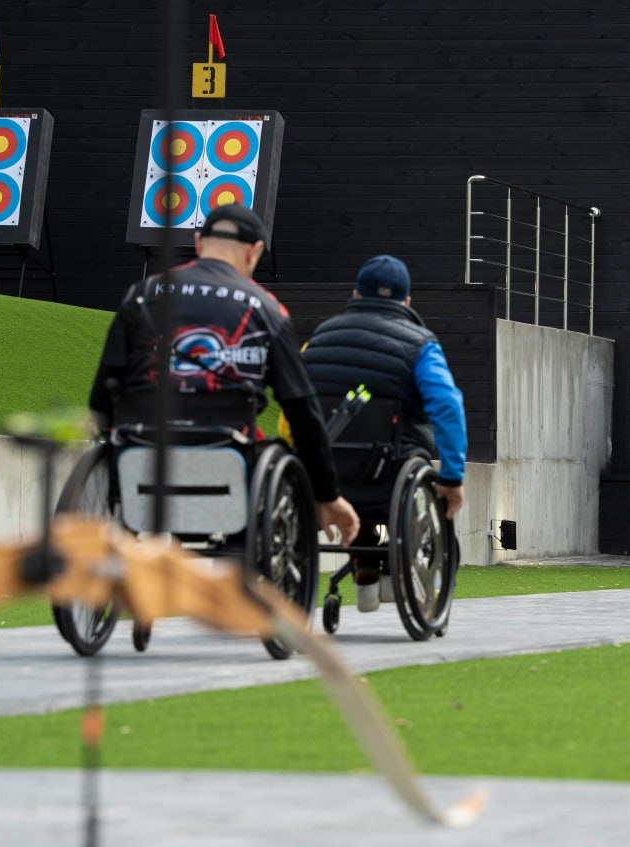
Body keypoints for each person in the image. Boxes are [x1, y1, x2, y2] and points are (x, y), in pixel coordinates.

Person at [88, 203, 359, 547]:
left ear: (199, 242)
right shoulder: (268, 309)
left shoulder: (142, 295)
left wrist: (110, 442)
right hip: (226, 461)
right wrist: (326, 493)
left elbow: (103, 392)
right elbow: (302, 411)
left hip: (142, 455)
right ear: (254, 251)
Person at [300, 254, 467, 612]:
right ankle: (386, 565)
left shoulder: (319, 339)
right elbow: (447, 405)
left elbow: (296, 404)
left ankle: (366, 565)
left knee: (349, 458)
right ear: (407, 301)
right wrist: (452, 477)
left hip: (325, 473)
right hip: (392, 475)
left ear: (355, 294)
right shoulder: (421, 344)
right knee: (390, 468)